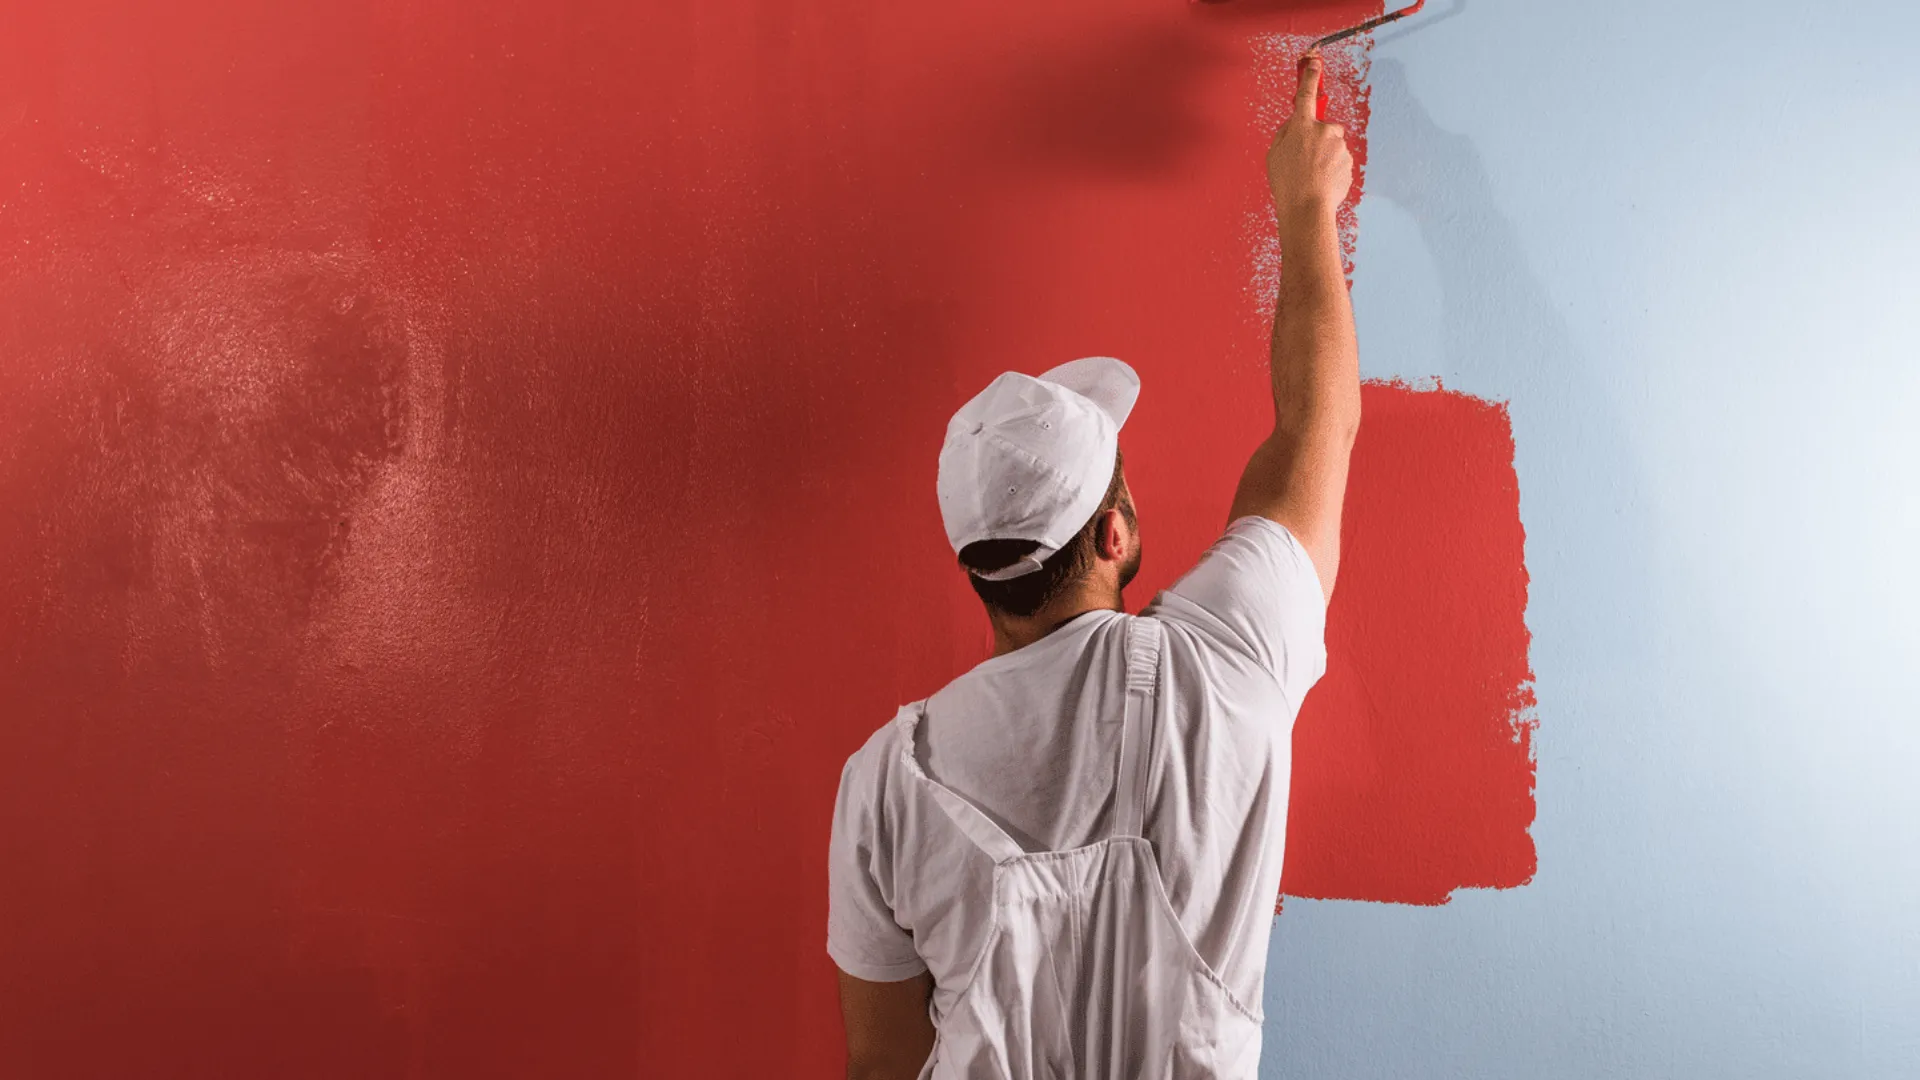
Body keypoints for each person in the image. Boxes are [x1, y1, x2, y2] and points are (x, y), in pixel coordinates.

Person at [827, 53, 1359, 1080]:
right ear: (1113, 535)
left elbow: (882, 1067)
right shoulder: (1228, 665)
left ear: (977, 567)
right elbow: (1319, 430)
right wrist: (1306, 208)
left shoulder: (885, 786)